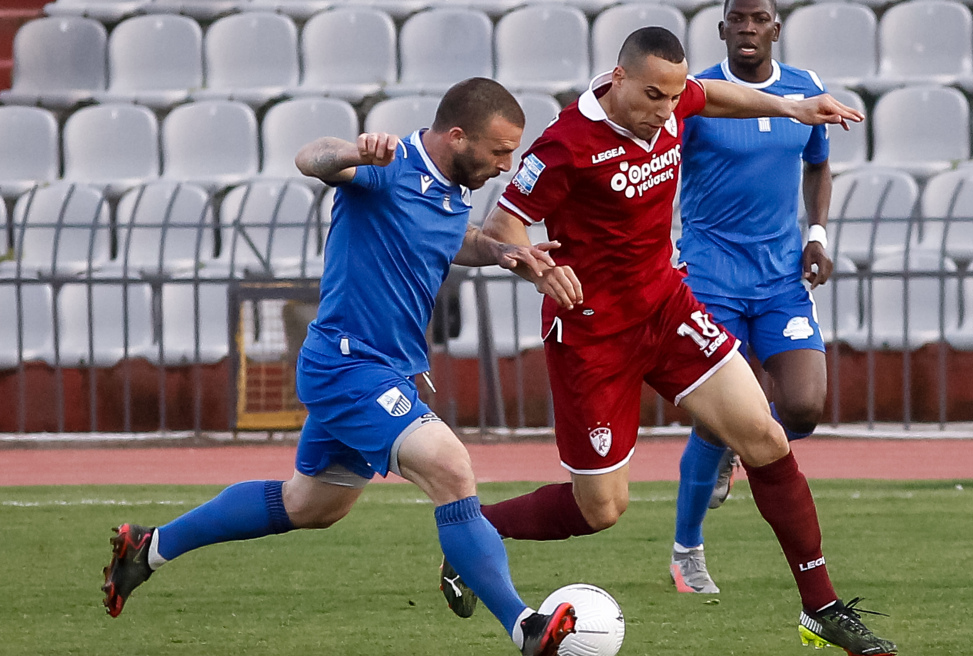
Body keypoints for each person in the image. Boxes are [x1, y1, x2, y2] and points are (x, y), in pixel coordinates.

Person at [445, 27, 897, 656]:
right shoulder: (565, 145)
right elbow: (502, 227)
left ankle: (820, 607)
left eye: (672, 96)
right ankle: (474, 534)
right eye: (654, 96)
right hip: (593, 336)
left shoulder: (676, 99)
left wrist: (792, 107)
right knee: (601, 510)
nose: (666, 109)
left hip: (666, 309)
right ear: (617, 78)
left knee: (764, 437)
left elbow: (715, 96)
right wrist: (538, 267)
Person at [100, 78, 578, 656]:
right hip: (350, 368)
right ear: (458, 137)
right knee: (451, 468)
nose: (507, 166)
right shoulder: (390, 165)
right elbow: (313, 158)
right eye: (500, 152)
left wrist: (506, 253)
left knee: (310, 505)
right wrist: (354, 150)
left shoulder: (453, 189)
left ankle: (148, 549)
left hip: (381, 370)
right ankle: (524, 626)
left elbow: (456, 239)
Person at [668, 0, 836, 596]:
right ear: (722, 30)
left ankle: (730, 450)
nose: (746, 27)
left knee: (806, 406)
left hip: (780, 277)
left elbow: (817, 166)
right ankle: (687, 550)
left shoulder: (806, 89)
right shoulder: (696, 94)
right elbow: (660, 168)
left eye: (757, 18)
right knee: (721, 415)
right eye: (735, 18)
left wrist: (815, 233)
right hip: (710, 276)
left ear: (774, 28)